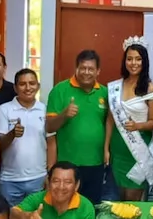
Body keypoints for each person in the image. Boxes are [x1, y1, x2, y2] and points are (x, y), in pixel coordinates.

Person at [46, 49, 109, 204]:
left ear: (98, 71)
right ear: (76, 68)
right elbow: (49, 127)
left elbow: (109, 124)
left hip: (96, 164)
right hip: (67, 166)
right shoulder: (59, 90)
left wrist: (107, 150)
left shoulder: (105, 93)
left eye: (91, 69)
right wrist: (64, 114)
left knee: (92, 208)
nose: (86, 72)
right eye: (83, 68)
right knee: (65, 208)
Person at [104, 39, 153, 201]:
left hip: (138, 149)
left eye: (138, 59)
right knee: (117, 198)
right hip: (118, 148)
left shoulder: (150, 88)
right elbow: (109, 120)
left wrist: (137, 125)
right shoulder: (116, 87)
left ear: (144, 61)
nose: (133, 63)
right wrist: (106, 148)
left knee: (132, 200)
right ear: (124, 61)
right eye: (129, 59)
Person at [0, 68, 48, 205]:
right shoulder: (3, 110)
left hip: (39, 178)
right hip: (10, 180)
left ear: (38, 86)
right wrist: (12, 134)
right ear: (15, 88)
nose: (28, 88)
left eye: (32, 83)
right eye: (23, 84)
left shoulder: (45, 109)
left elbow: (52, 143)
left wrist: (50, 173)